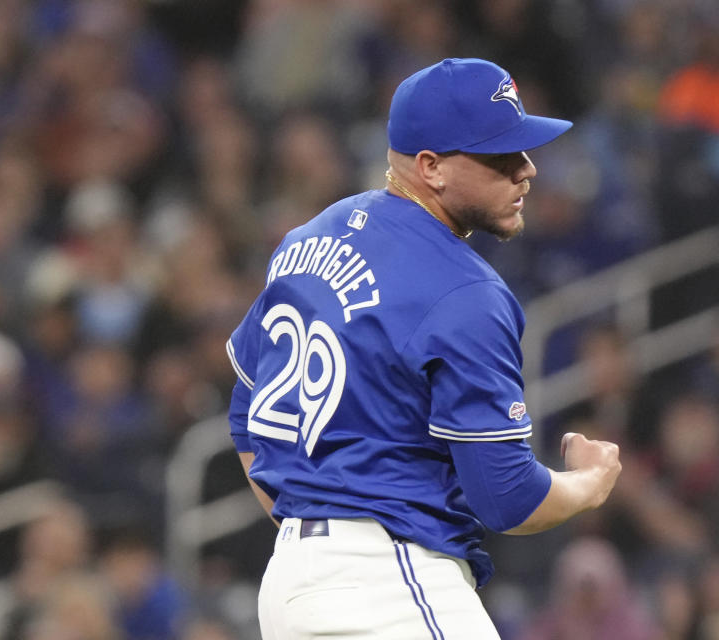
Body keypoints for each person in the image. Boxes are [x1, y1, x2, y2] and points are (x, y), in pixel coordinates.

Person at [225, 58, 622, 639]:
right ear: (431, 167)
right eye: (500, 156)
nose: (527, 170)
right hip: (389, 582)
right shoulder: (465, 290)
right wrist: (586, 484)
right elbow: (508, 498)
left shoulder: (308, 238)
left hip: (291, 585)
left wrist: (313, 523)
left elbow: (246, 417)